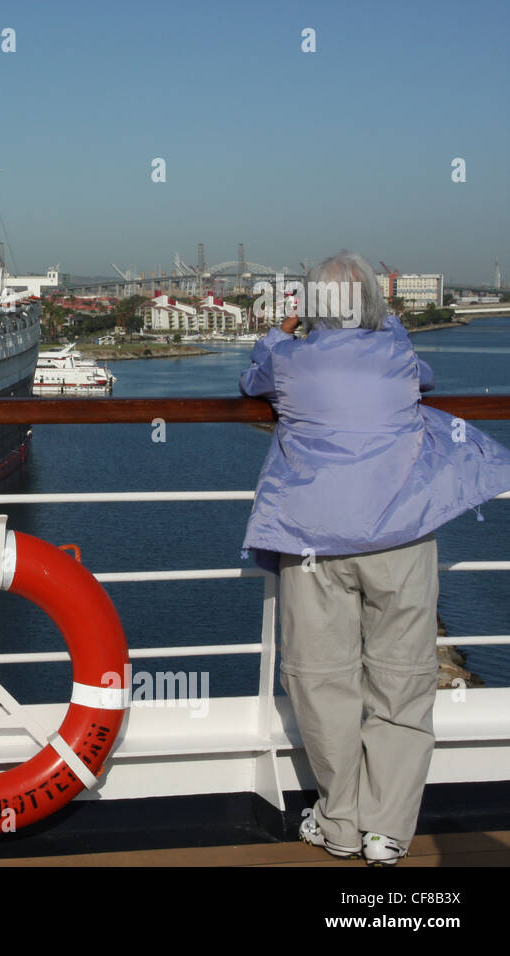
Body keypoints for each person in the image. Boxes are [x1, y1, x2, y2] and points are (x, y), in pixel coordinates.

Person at [239, 250, 510, 865]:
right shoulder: (396, 353)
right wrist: (378, 323)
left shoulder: (287, 360)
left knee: (321, 680)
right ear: (373, 307)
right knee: (404, 679)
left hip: (313, 541)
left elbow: (252, 377)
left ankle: (338, 822)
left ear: (309, 306)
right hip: (401, 538)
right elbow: (424, 376)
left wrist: (282, 331)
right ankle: (387, 831)